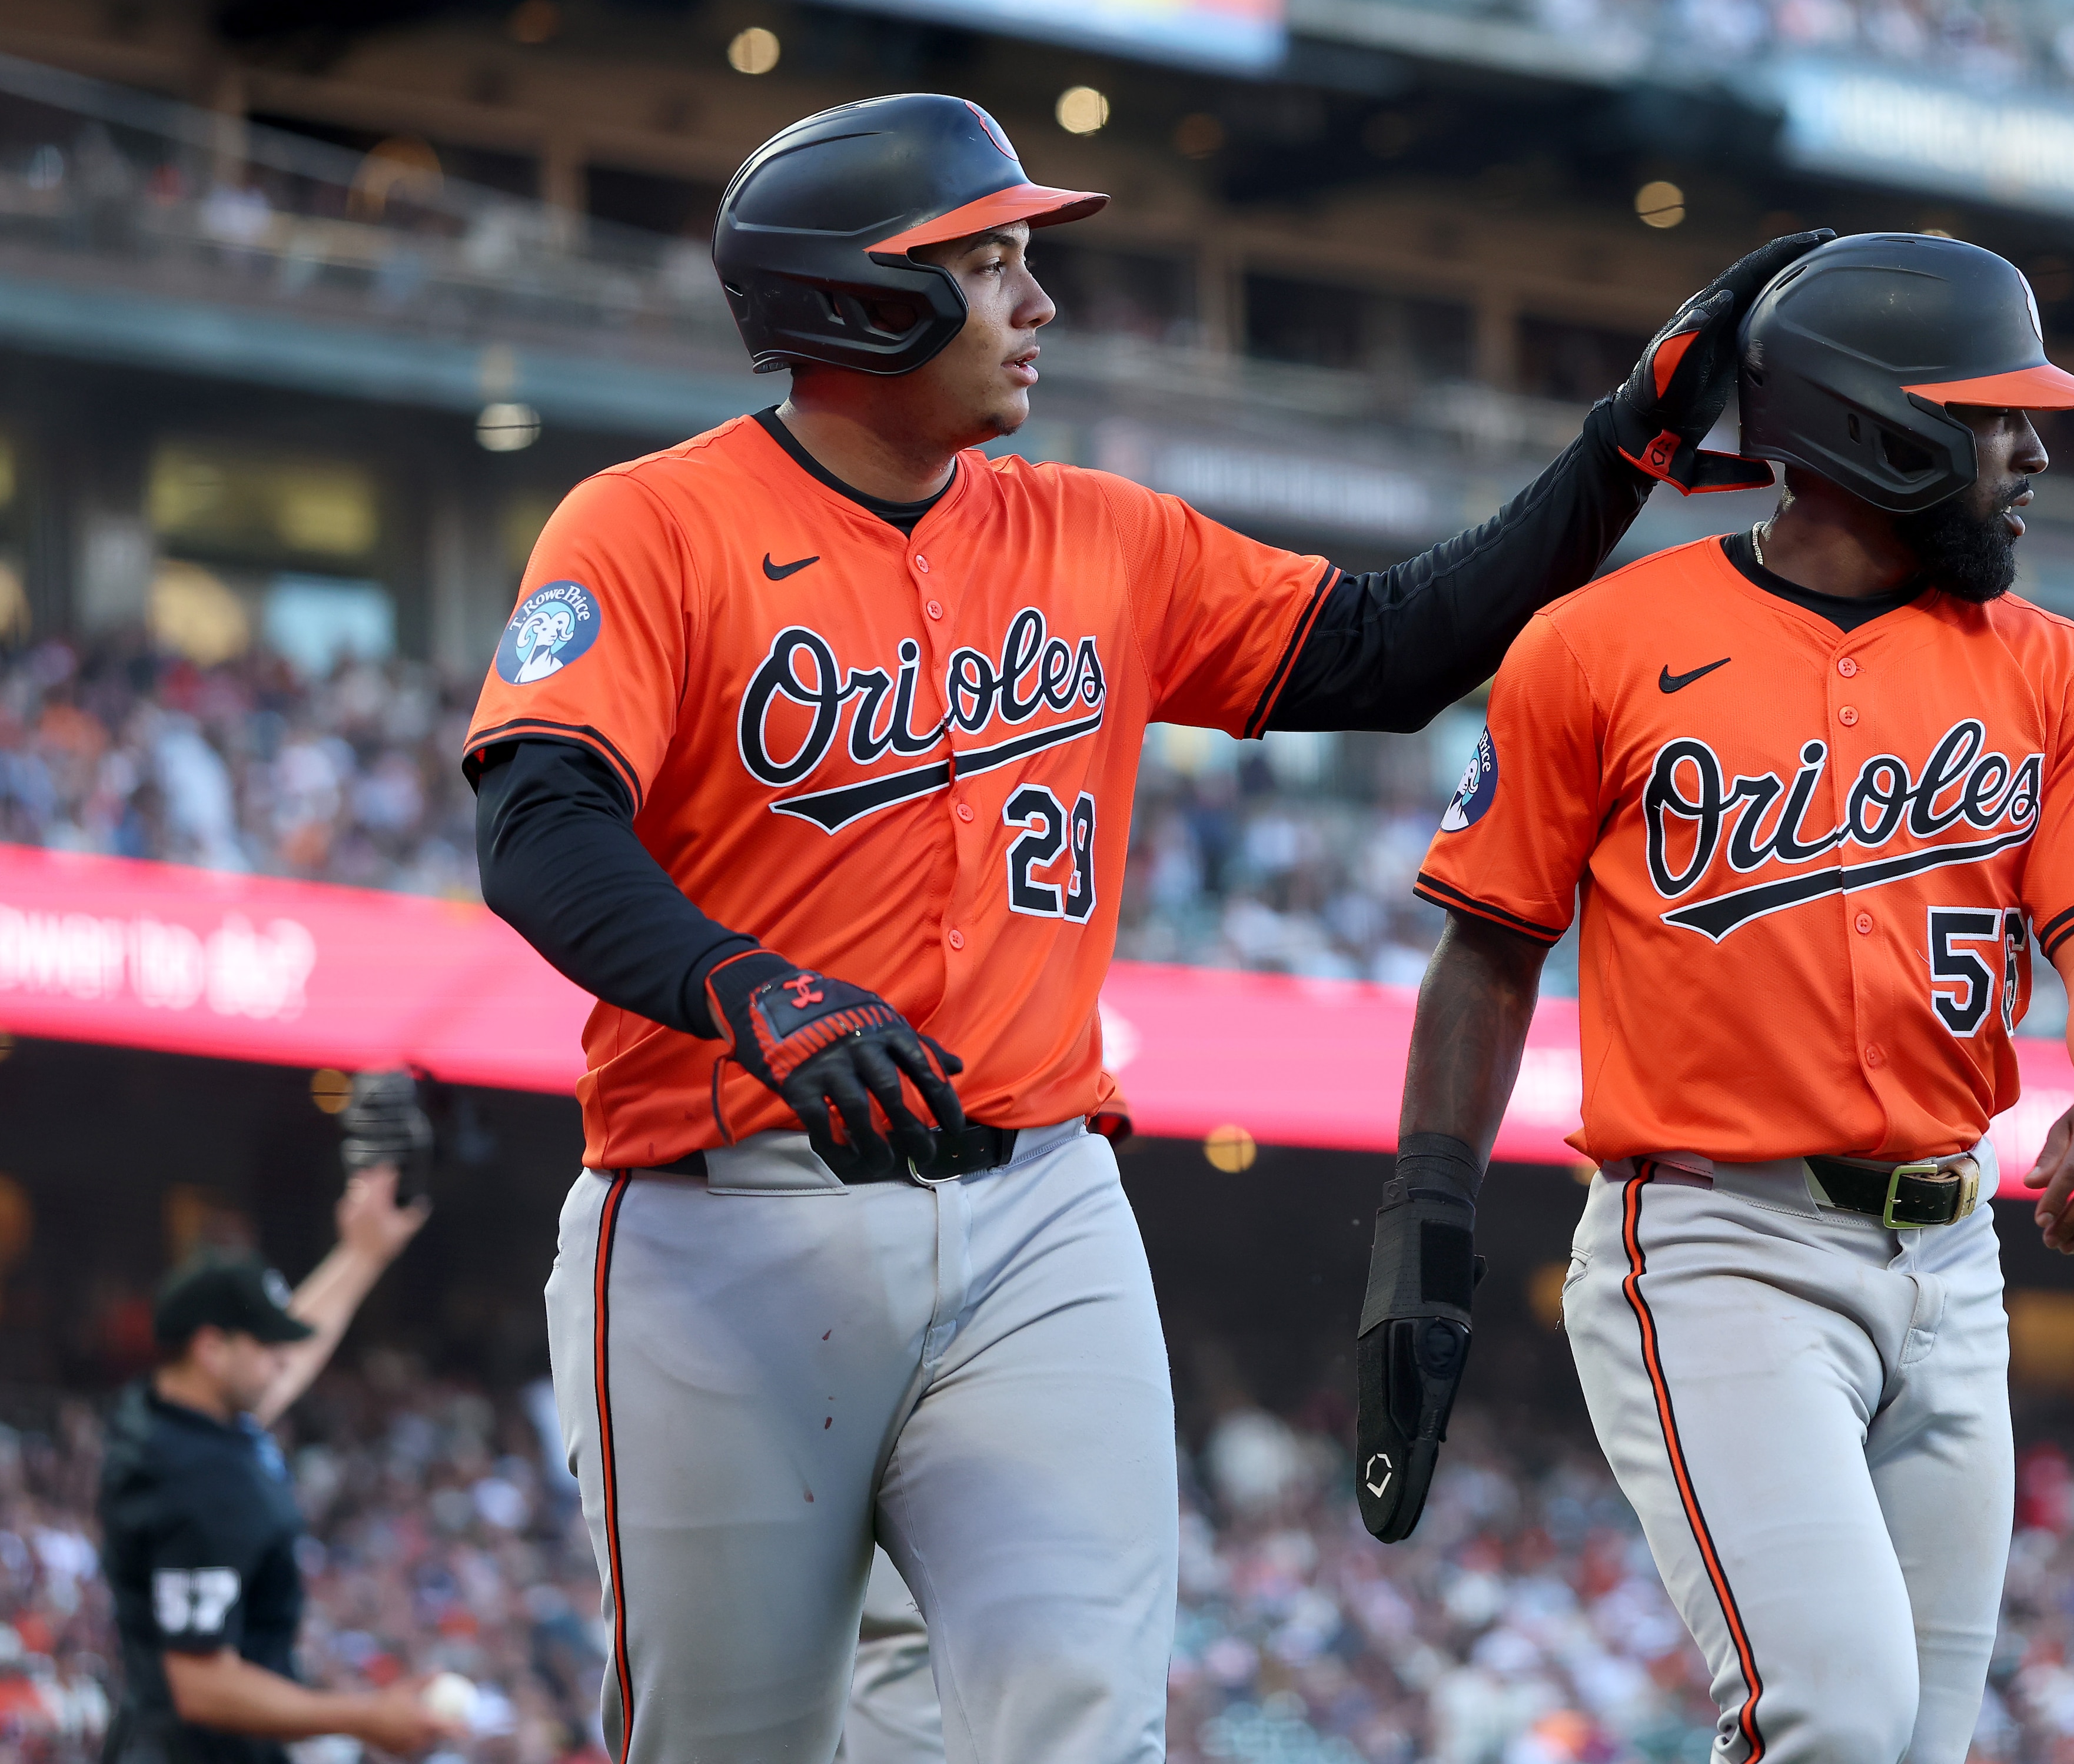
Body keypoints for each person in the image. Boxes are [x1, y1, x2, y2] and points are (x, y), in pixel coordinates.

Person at [464, 88, 1826, 1764]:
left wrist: (1621, 443)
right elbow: (538, 828)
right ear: (860, 298)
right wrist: (744, 986)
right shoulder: (649, 522)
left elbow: (1391, 648)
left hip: (1043, 1212)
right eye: (993, 265)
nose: (1039, 305)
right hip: (719, 1221)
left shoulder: (1094, 532)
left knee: (1086, 1729)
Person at [1358, 233, 2074, 1763]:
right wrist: (1429, 1214)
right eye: (1998, 413)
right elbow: (1487, 947)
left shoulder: (2054, 670)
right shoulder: (1603, 643)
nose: (2037, 448)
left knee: (1917, 1746)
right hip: (1717, 1239)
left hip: (1957, 1261)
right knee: (1834, 1715)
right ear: (1881, 425)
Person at [99, 1166, 454, 1764]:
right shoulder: (196, 1481)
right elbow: (201, 1686)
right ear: (211, 1348)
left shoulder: (173, 1415)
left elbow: (288, 1364)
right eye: (264, 1344)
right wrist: (367, 1716)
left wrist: (362, 1253)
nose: (283, 1359)